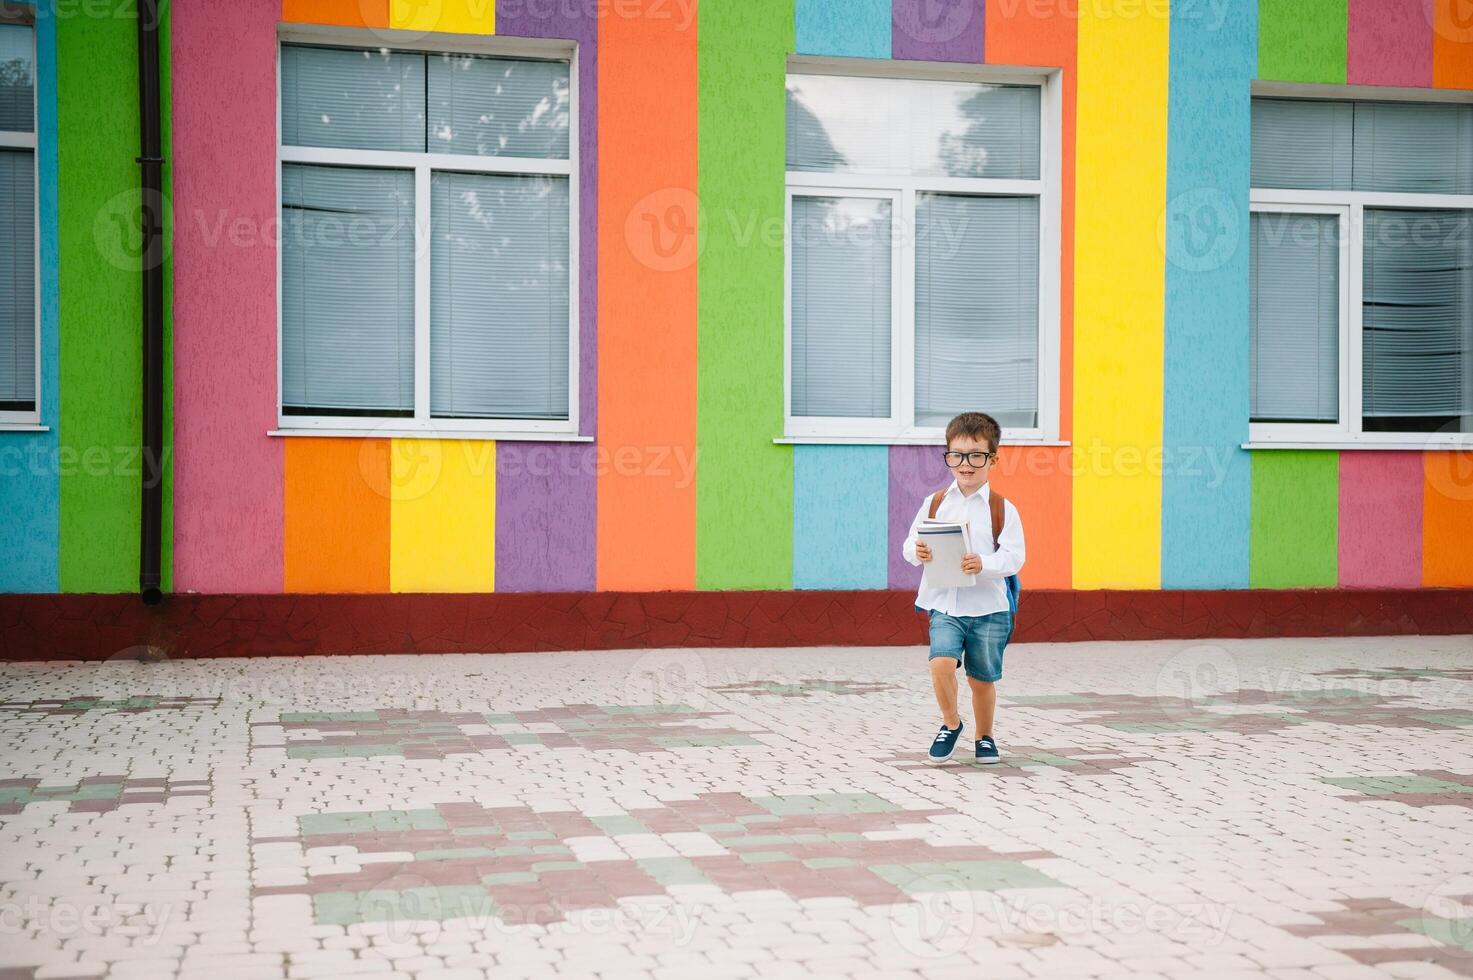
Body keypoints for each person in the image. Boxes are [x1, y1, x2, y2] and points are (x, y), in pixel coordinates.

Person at [901, 411, 1025, 765]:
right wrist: (917, 551)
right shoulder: (936, 502)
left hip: (989, 609)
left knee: (981, 679)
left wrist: (984, 563)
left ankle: (984, 736)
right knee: (940, 663)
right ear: (948, 457)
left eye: (976, 456)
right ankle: (950, 723)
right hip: (945, 603)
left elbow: (1015, 557)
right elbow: (911, 544)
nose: (965, 464)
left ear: (992, 459)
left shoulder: (1002, 508)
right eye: (956, 455)